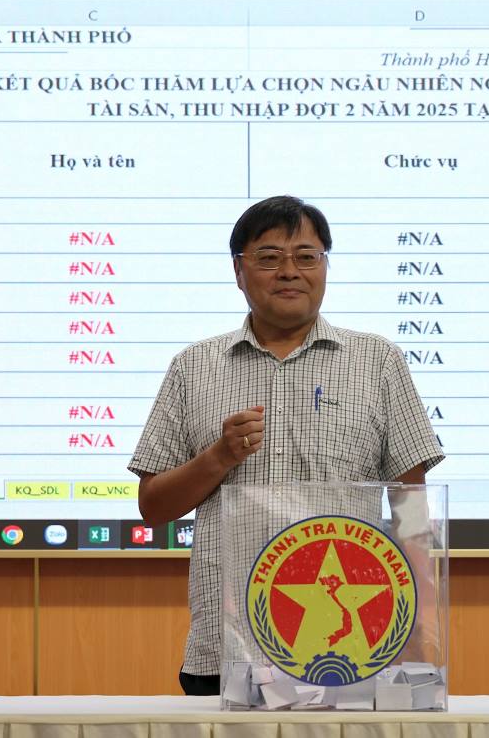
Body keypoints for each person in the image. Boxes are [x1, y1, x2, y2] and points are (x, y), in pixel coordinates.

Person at [129, 195, 444, 696]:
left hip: (351, 644)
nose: (289, 271)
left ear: (325, 266)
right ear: (238, 271)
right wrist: (218, 457)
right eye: (269, 257)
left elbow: (411, 503)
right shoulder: (193, 367)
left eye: (306, 256)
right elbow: (153, 508)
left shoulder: (377, 361)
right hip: (227, 648)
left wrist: (419, 626)